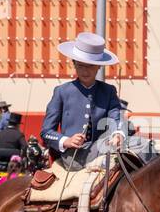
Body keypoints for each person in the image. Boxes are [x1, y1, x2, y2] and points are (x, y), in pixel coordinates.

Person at [41, 32, 123, 170]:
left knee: (138, 145)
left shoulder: (109, 91)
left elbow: (115, 118)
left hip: (103, 151)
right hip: (73, 157)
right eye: (80, 65)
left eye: (90, 66)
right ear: (74, 64)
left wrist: (118, 134)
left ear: (99, 66)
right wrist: (66, 140)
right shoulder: (62, 91)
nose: (85, 71)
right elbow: (46, 131)